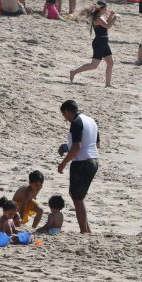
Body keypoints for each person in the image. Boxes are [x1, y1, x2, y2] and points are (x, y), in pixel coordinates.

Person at [57, 100, 99, 234]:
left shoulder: (76, 122)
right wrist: (66, 147)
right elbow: (96, 144)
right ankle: (87, 230)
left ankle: (84, 231)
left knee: (77, 198)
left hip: (82, 162)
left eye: (64, 115)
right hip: (94, 161)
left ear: (68, 112)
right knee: (77, 196)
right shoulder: (91, 121)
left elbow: (77, 147)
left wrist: (63, 163)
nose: (65, 118)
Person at [70, 1, 116, 88]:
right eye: (105, 9)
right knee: (94, 65)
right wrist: (115, 18)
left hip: (104, 42)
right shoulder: (97, 18)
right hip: (99, 43)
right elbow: (108, 26)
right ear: (100, 9)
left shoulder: (100, 17)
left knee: (110, 63)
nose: (106, 11)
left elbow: (105, 24)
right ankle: (74, 72)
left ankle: (108, 84)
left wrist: (110, 16)